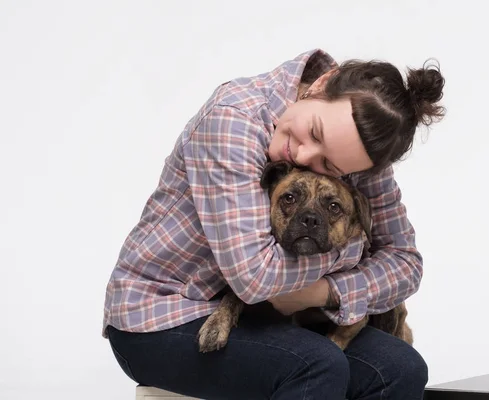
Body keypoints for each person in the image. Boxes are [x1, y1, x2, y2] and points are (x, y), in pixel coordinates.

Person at [102, 48, 445, 400]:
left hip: (265, 320)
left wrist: (324, 293)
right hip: (162, 314)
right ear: (322, 84)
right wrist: (351, 248)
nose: (304, 156)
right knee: (317, 364)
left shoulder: (355, 151)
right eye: (314, 131)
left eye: (330, 166)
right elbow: (254, 278)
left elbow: (404, 262)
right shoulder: (233, 119)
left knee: (402, 368)